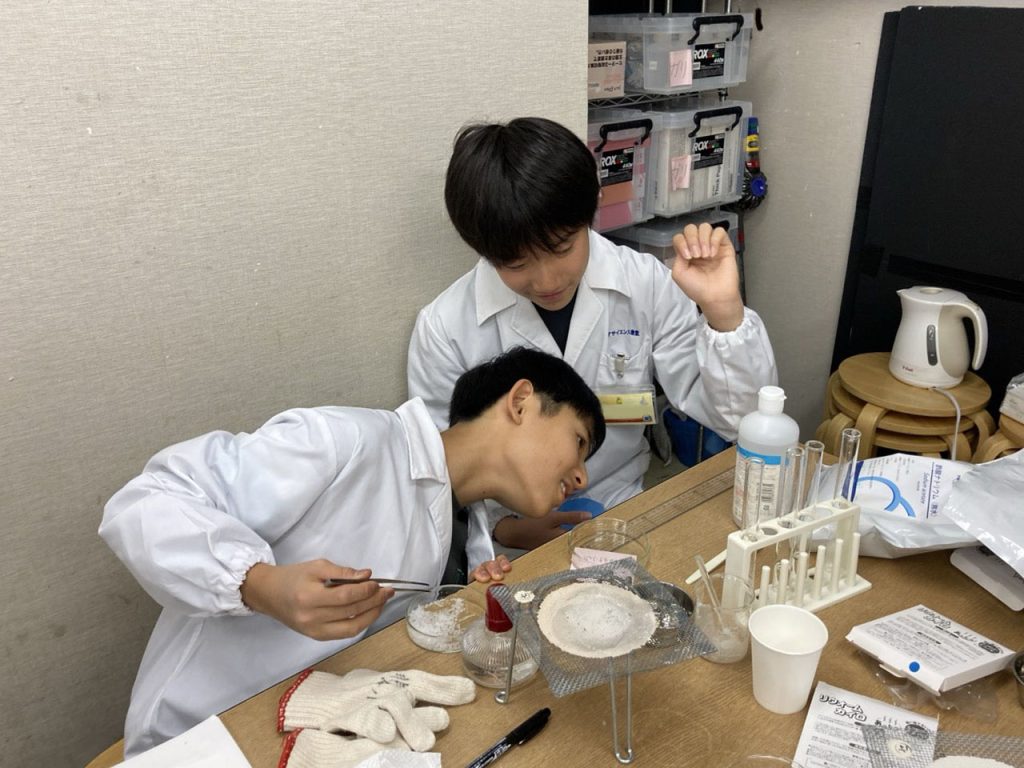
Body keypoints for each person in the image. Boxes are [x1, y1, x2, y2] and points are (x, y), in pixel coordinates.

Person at [99, 347, 605, 757]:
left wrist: (463, 609)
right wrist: (259, 583)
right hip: (206, 734)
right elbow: (147, 500)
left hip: (325, 733)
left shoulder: (466, 528)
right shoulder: (346, 442)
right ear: (521, 402)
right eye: (579, 442)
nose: (582, 476)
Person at [408, 116, 777, 562]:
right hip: (509, 540)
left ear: (591, 212)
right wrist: (507, 527)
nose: (546, 281)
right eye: (516, 264)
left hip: (623, 508)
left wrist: (723, 311)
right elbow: (441, 468)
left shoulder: (644, 283)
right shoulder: (445, 327)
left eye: (562, 248)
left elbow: (741, 421)